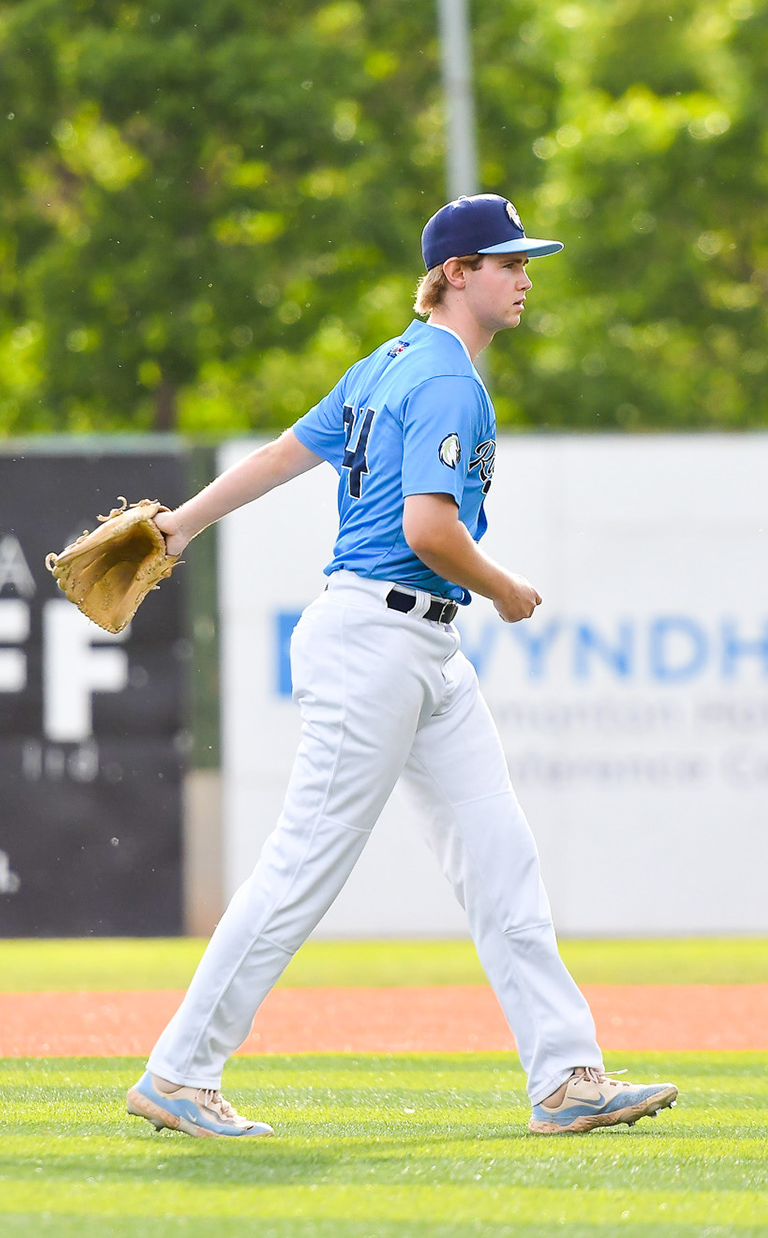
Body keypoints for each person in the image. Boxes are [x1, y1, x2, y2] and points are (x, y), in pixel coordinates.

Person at [124, 195, 678, 1138]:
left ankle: (565, 1077)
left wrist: (180, 524)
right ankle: (179, 1072)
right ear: (456, 273)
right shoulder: (446, 379)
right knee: (304, 864)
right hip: (375, 640)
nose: (525, 278)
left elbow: (282, 456)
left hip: (420, 649)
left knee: (500, 859)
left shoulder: (386, 363)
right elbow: (429, 531)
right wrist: (504, 587)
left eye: (525, 262)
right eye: (507, 262)